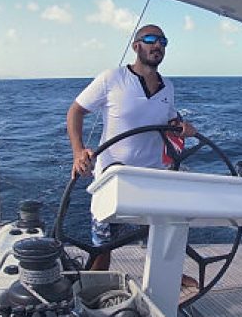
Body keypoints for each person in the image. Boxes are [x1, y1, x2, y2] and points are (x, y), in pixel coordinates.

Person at [67, 24, 196, 272]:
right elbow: (76, 111)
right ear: (136, 46)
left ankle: (169, 286)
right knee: (103, 247)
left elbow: (168, 119)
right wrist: (78, 151)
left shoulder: (168, 86)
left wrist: (182, 126)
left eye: (162, 41)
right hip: (114, 179)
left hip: (152, 178)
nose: (157, 45)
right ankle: (94, 293)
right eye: (150, 39)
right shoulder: (112, 78)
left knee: (164, 240)